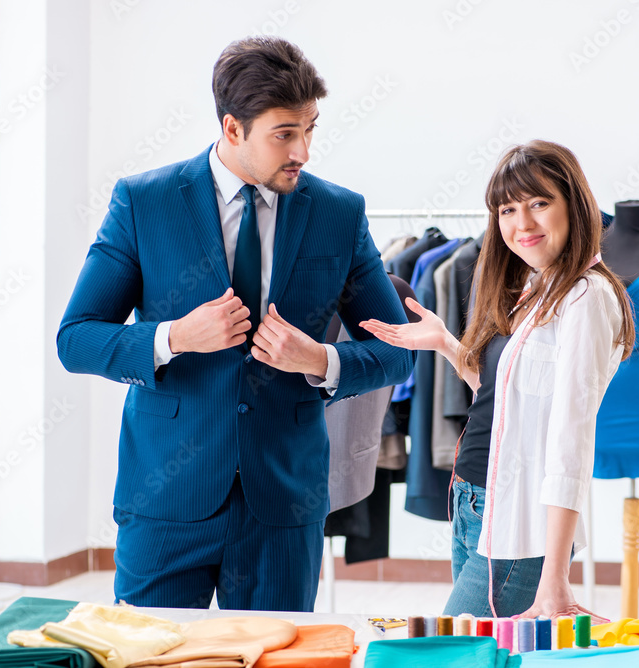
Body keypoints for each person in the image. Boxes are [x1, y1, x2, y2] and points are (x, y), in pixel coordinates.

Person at [56, 36, 413, 612]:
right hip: (166, 500)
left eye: (310, 129)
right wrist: (172, 337)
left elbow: (398, 352)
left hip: (283, 506)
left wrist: (319, 360)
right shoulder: (143, 203)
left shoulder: (338, 213)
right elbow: (76, 339)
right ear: (232, 129)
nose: (303, 150)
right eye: (284, 134)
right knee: (152, 656)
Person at [362, 140, 634, 620]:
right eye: (507, 209)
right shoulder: (536, 285)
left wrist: (555, 578)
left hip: (520, 521)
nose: (521, 223)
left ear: (575, 206)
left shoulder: (585, 298)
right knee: (487, 654)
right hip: (473, 500)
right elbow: (505, 397)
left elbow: (571, 439)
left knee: (453, 650)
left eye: (539, 203)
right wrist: (446, 343)